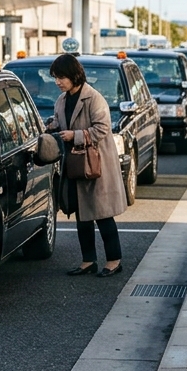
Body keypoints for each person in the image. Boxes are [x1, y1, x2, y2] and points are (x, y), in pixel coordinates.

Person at [47, 53, 128, 279]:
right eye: (55, 77)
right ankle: (88, 260)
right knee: (82, 215)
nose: (57, 82)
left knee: (102, 215)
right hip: (75, 165)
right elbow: (60, 120)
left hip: (96, 165)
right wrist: (51, 125)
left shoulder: (93, 98)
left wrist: (76, 135)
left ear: (74, 75)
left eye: (61, 77)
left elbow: (103, 129)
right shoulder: (62, 100)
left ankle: (114, 261)